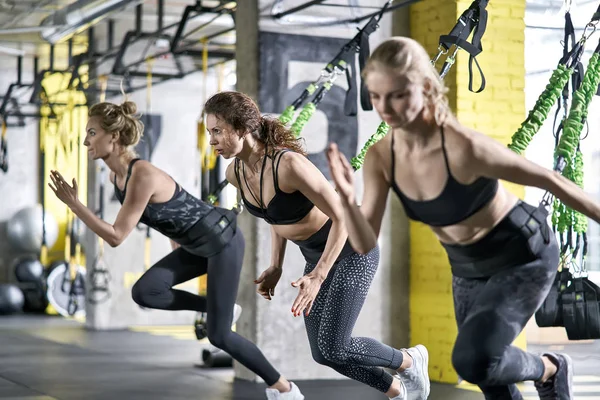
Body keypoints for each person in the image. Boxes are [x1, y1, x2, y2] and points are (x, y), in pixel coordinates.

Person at [325, 36, 597, 400]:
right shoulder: (381, 157)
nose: (385, 108)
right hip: (467, 267)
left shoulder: (462, 146)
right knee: (489, 377)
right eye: (375, 96)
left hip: (522, 254)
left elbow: (551, 179)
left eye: (398, 95)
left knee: (474, 360)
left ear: (424, 87)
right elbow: (364, 242)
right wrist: (346, 198)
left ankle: (550, 367)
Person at [49, 100, 303, 400]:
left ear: (113, 137)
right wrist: (177, 247)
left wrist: (75, 205)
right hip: (195, 245)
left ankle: (284, 389)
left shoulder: (140, 174)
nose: (85, 140)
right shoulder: (115, 177)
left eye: (92, 132)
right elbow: (172, 215)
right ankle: (215, 307)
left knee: (219, 334)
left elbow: (117, 236)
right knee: (146, 291)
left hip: (222, 239)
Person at [204, 91, 430, 400]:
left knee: (336, 345)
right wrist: (276, 265)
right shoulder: (236, 174)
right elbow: (275, 218)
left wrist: (318, 276)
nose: (212, 140)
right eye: (209, 132)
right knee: (324, 353)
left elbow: (342, 216)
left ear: (241, 128)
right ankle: (398, 391)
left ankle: (408, 360)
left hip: (353, 250)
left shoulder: (288, 165)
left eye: (217, 131)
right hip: (318, 257)